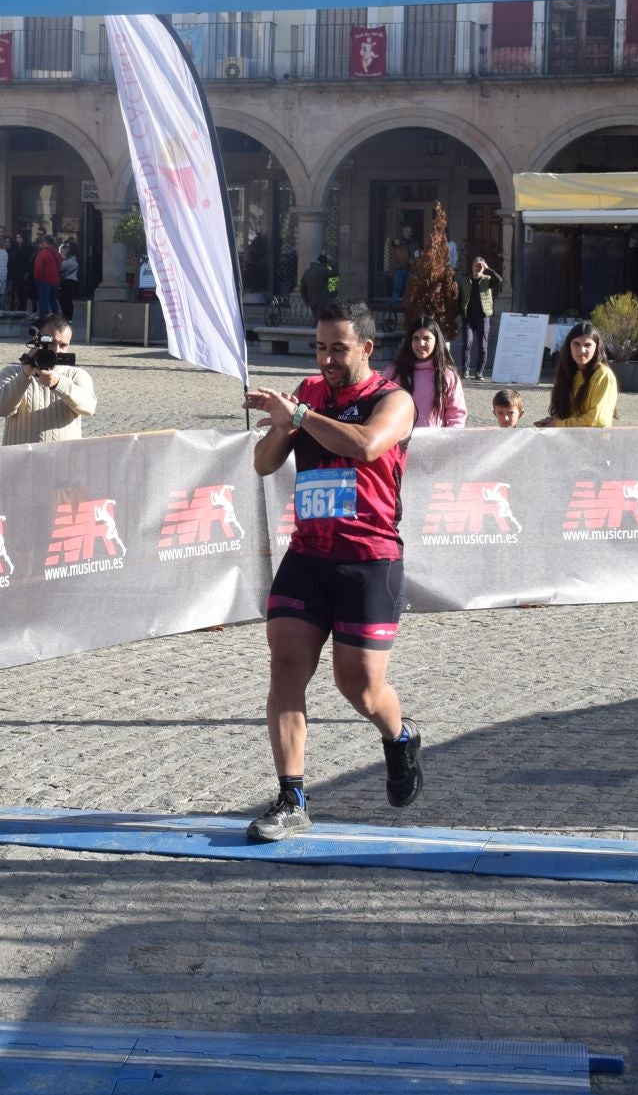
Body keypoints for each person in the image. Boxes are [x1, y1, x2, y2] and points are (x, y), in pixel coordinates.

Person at [240, 301, 423, 843]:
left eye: (338, 349)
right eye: (320, 347)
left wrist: (297, 416)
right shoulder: (310, 394)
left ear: (367, 349)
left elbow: (367, 447)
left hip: (369, 560)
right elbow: (264, 463)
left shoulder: (394, 400)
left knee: (360, 688)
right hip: (308, 554)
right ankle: (292, 796)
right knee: (286, 670)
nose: (326, 359)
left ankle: (399, 735)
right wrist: (281, 425)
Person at [0, 314, 96, 444]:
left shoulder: (76, 375)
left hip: (63, 459)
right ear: (36, 340)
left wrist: (59, 384)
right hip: (21, 459)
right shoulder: (11, 373)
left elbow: (89, 407)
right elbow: (0, 409)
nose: (57, 350)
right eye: (51, 343)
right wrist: (24, 374)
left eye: (63, 345)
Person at [385, 318, 467, 428]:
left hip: (433, 441)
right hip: (398, 441)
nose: (421, 343)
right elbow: (381, 407)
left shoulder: (447, 375)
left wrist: (449, 440)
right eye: (416, 338)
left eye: (426, 338)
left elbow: (456, 415)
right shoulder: (394, 371)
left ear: (436, 340)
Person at [535, 322, 618, 428]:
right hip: (568, 438)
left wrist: (559, 424)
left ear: (597, 347)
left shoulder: (603, 375)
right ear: (569, 346)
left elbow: (597, 421)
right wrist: (551, 421)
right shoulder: (567, 372)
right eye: (576, 344)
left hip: (593, 440)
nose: (581, 351)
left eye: (587, 345)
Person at [460, 256, 503, 380]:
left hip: (483, 318)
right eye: (476, 265)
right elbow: (460, 297)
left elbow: (499, 280)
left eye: (481, 266)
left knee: (483, 346)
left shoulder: (488, 279)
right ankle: (465, 370)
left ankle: (479, 371)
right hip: (468, 317)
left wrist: (488, 268)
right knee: (467, 343)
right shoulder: (465, 280)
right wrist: (461, 311)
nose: (478, 268)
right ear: (472, 266)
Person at [298, 251, 338, 316]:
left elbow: (302, 289)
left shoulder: (307, 272)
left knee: (317, 318)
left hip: (312, 300)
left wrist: (306, 301)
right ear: (325, 263)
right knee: (322, 319)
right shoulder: (323, 270)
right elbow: (336, 273)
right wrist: (331, 263)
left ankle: (317, 325)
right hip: (322, 299)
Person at [33, 234, 62, 319]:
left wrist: (37, 278)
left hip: (44, 280)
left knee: (44, 302)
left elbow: (38, 267)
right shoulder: (56, 253)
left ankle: (44, 320)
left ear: (45, 242)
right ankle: (56, 319)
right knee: (53, 301)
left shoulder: (43, 253)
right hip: (55, 280)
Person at [388, 225, 418, 303]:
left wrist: (414, 261)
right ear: (403, 232)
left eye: (409, 232)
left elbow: (417, 254)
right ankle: (393, 309)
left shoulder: (414, 243)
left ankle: (407, 309)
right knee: (397, 289)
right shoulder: (400, 241)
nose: (408, 233)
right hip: (399, 270)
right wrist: (394, 242)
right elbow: (392, 244)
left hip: (410, 270)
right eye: (406, 231)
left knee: (409, 290)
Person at [58, 240, 80, 317]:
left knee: (67, 299)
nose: (65, 249)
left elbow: (63, 267)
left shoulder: (73, 258)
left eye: (67, 247)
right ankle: (66, 315)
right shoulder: (67, 258)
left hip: (70, 280)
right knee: (63, 299)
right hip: (66, 280)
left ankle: (68, 316)